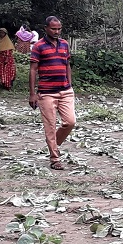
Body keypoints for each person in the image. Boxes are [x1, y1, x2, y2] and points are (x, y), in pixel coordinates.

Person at [28, 16, 75, 170]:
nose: (56, 31)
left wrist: (69, 84)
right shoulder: (38, 46)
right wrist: (32, 94)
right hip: (46, 93)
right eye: (53, 29)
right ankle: (55, 159)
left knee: (70, 122)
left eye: (59, 29)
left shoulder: (64, 44)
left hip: (65, 91)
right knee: (50, 126)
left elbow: (67, 64)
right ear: (46, 28)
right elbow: (33, 70)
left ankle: (54, 144)